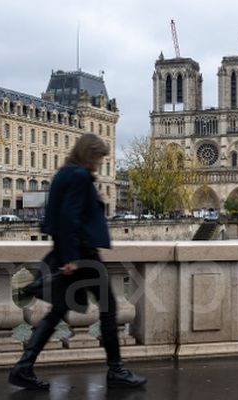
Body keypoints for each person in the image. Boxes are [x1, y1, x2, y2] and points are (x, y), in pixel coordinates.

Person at [9, 134, 147, 391]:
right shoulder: (80, 176)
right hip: (83, 256)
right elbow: (70, 217)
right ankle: (116, 369)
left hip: (69, 252)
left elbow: (62, 213)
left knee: (58, 311)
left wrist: (95, 201)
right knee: (109, 308)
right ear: (88, 154)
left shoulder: (64, 173)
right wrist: (72, 257)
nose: (100, 163)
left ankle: (23, 368)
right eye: (98, 157)